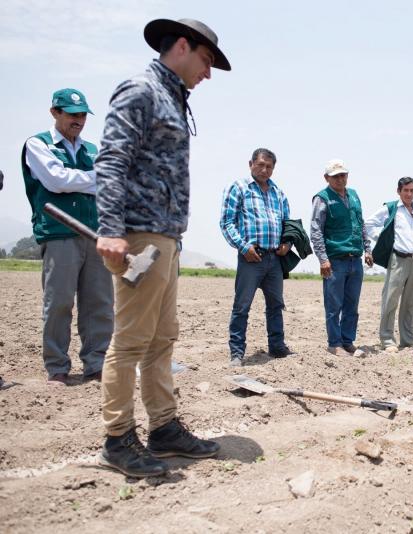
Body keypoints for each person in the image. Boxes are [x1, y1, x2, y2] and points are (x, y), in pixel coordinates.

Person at [94, 18, 230, 478]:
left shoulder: (173, 98)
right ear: (182, 47)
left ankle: (164, 427)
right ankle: (117, 439)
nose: (208, 73)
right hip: (139, 237)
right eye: (206, 61)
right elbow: (111, 160)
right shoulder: (141, 90)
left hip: (167, 237)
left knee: (161, 338)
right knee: (131, 340)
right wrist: (111, 229)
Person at [21, 88, 113, 386]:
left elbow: (109, 185)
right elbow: (55, 180)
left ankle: (96, 364)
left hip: (95, 233)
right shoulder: (38, 144)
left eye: (83, 115)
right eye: (72, 114)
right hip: (58, 233)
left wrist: (83, 181)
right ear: (55, 112)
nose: (79, 120)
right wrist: (94, 179)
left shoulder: (92, 149)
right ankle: (57, 367)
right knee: (59, 302)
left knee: (99, 303)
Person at [220, 148, 294, 366]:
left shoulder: (278, 193)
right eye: (260, 165)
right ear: (251, 163)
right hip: (251, 257)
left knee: (276, 306)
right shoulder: (239, 188)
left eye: (269, 166)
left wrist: (287, 244)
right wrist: (244, 247)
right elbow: (227, 222)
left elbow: (288, 225)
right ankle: (237, 353)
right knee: (242, 306)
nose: (264, 170)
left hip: (274, 259)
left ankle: (277, 347)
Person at [310, 159, 373, 357]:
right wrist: (323, 259)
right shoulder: (322, 198)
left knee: (351, 306)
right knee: (333, 305)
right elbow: (316, 230)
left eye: (342, 175)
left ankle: (347, 341)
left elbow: (361, 223)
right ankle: (334, 344)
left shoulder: (354, 195)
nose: (340, 179)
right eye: (335, 176)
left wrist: (367, 249)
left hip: (355, 258)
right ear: (326, 178)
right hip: (335, 260)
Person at [365, 177, 413, 351]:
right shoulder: (391, 208)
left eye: (412, 190)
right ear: (398, 191)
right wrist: (384, 239)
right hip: (398, 259)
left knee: (411, 303)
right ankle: (387, 340)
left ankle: (408, 340)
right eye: (405, 190)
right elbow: (368, 224)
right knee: (390, 300)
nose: (409, 194)